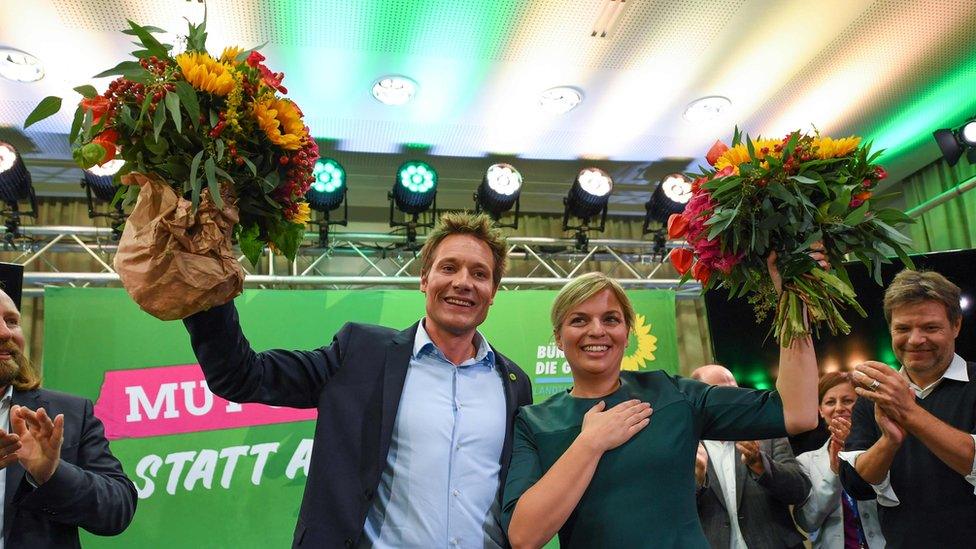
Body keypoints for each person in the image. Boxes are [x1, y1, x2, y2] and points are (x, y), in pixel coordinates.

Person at [182, 211, 532, 548]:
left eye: (479, 273)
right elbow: (242, 376)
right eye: (449, 267)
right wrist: (204, 274)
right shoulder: (362, 353)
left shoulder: (514, 383)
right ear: (424, 278)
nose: (463, 283)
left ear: (494, 290)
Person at [502, 268, 820, 549]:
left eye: (610, 319)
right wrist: (590, 444)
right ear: (559, 337)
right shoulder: (535, 422)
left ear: (627, 333)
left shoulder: (673, 395)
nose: (596, 330)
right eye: (579, 320)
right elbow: (524, 536)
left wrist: (791, 296)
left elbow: (797, 412)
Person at [839, 269, 976, 548]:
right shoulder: (872, 397)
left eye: (930, 327)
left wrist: (909, 412)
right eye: (903, 328)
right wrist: (889, 442)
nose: (915, 340)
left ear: (956, 326)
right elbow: (857, 484)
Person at [0, 288, 137, 548]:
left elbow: (117, 509)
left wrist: (51, 473)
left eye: (12, 321)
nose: (6, 333)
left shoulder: (67, 413)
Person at [692, 364, 810, 549]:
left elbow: (799, 491)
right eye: (720, 394)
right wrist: (696, 482)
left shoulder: (766, 431)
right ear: (699, 399)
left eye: (734, 392)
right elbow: (669, 513)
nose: (731, 401)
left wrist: (761, 465)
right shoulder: (685, 445)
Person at [793, 372, 884, 548]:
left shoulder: (881, 449)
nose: (839, 408)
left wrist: (854, 450)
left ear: (861, 406)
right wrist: (834, 473)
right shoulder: (805, 462)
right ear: (820, 410)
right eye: (830, 402)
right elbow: (808, 522)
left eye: (848, 400)